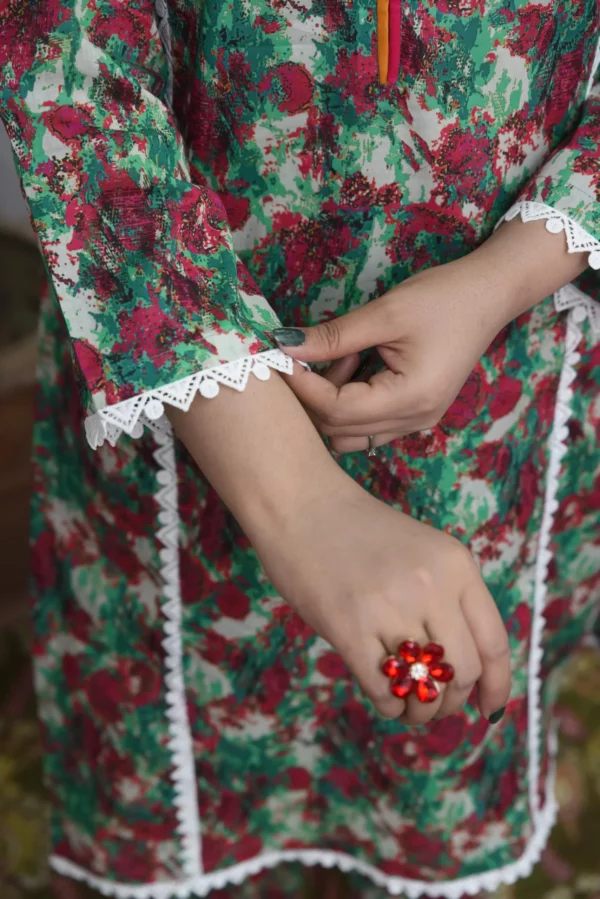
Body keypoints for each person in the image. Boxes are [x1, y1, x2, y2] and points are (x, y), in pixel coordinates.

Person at [1, 0, 599, 896]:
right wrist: (301, 501)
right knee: (190, 748)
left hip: (501, 383)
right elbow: (71, 73)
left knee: (434, 731)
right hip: (180, 403)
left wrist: (503, 275)